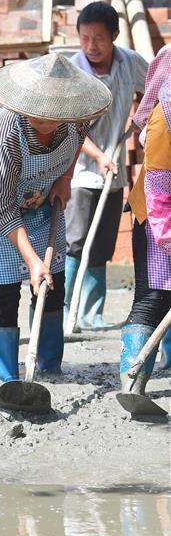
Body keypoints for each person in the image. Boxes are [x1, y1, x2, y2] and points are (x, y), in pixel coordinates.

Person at [0, 53, 111, 384]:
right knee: (4, 285)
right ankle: (5, 376)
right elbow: (2, 207)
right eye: (40, 118)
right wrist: (31, 261)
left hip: (38, 193)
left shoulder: (77, 117)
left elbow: (78, 140)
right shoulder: (5, 128)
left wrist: (65, 178)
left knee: (53, 279)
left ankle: (48, 365)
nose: (48, 125)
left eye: (55, 118)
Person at [65, 2, 148, 329]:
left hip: (113, 173)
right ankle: (65, 311)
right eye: (85, 38)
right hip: (80, 171)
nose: (91, 46)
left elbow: (156, 90)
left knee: (101, 246)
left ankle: (91, 314)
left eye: (98, 38)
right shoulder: (73, 70)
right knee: (75, 242)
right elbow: (69, 127)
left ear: (114, 35)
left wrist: (141, 121)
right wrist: (99, 157)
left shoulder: (130, 63)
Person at [122, 80, 171, 397]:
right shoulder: (166, 116)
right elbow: (158, 188)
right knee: (154, 298)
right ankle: (132, 383)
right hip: (159, 217)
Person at [131, 44, 171, 370]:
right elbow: (159, 198)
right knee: (154, 298)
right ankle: (133, 376)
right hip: (158, 219)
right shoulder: (163, 123)